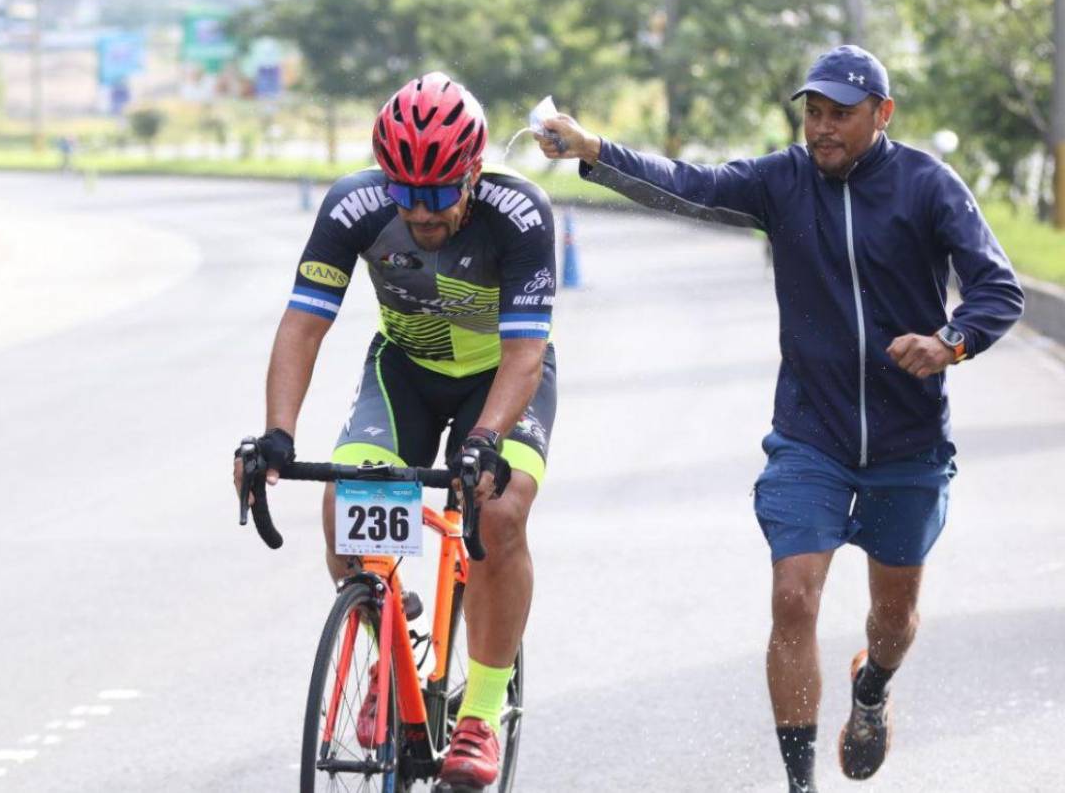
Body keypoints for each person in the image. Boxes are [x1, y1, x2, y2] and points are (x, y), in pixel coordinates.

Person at [537, 45, 1023, 792]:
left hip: (908, 442)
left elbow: (997, 288)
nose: (822, 130)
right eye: (814, 115)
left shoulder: (928, 185)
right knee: (793, 594)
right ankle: (800, 785)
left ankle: (872, 690)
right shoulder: (782, 181)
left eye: (841, 116)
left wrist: (950, 342)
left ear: (882, 115)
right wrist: (596, 149)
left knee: (892, 621)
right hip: (811, 435)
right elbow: (690, 187)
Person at [239, 72, 557, 788]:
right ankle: (391, 655)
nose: (422, 212)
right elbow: (304, 322)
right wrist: (277, 435)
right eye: (406, 192)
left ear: (472, 173)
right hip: (407, 369)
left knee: (498, 514)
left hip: (499, 376)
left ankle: (478, 713)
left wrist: (484, 442)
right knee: (345, 509)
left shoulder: (519, 212)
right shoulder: (354, 204)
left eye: (440, 193)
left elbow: (525, 353)